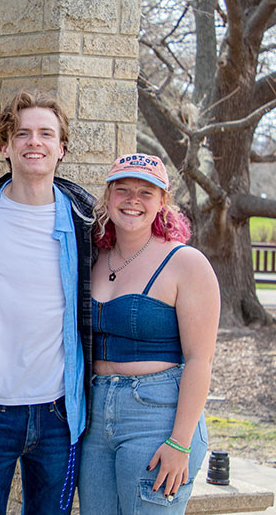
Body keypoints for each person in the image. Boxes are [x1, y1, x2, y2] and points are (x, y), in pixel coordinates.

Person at [0, 89, 94, 515]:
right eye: (23, 133)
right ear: (5, 145)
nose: (35, 141)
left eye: (46, 134)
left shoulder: (86, 218)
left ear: (61, 148)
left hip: (59, 410)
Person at [78, 154, 219, 514]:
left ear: (162, 202)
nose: (132, 200)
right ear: (108, 197)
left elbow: (200, 361)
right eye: (122, 190)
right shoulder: (96, 256)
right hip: (96, 417)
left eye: (145, 192)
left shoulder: (186, 263)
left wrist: (181, 443)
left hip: (156, 415)